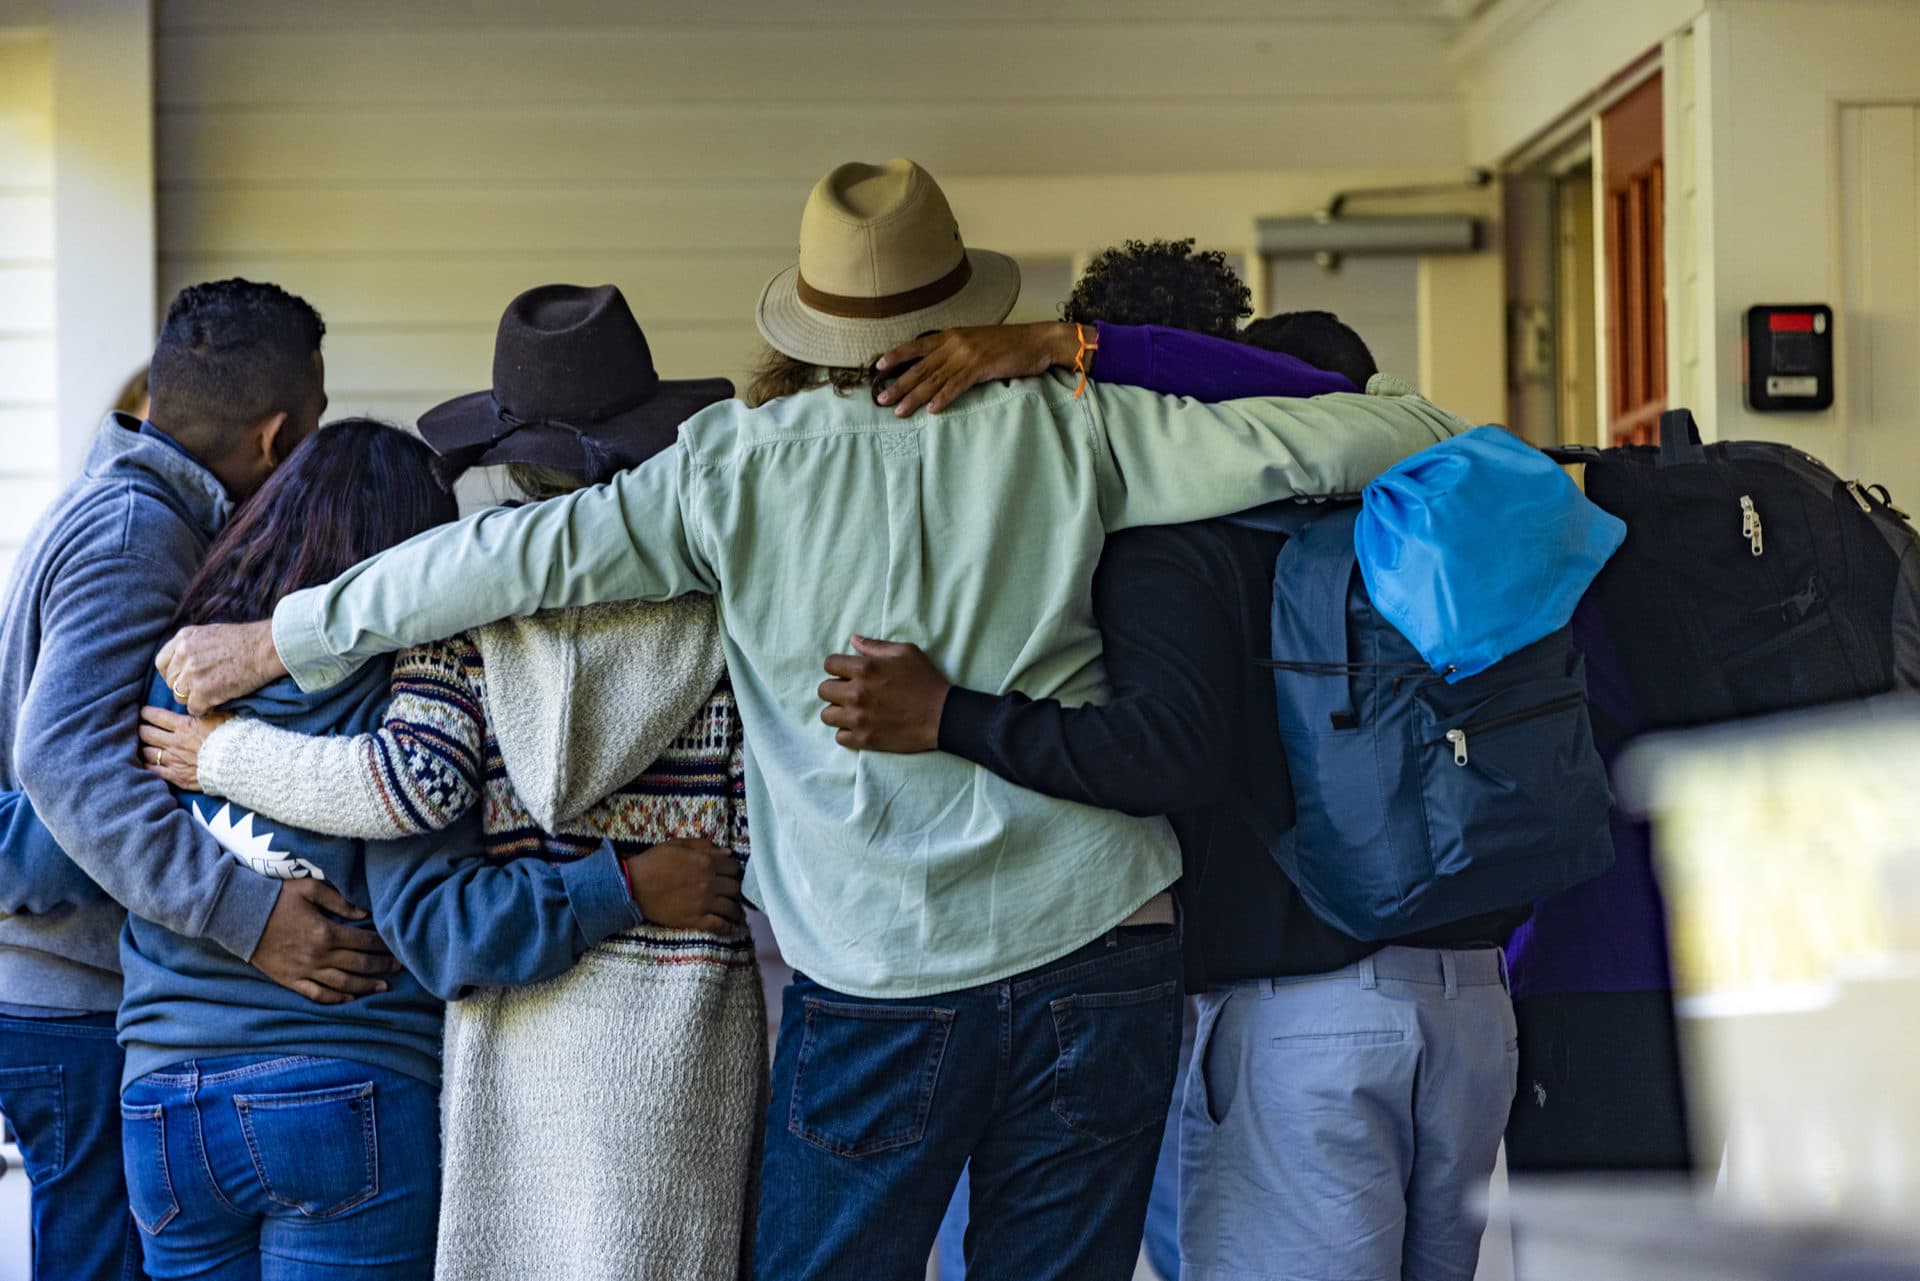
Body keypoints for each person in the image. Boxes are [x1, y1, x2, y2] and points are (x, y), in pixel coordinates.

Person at [154, 158, 1469, 1281]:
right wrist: (1076, 349)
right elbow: (1401, 429)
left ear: (812, 319)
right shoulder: (1084, 427)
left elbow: (508, 560)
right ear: (967, 304)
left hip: (880, 973)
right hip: (1100, 943)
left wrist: (283, 635)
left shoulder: (739, 467)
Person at [825, 307, 1528, 1281]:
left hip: (1304, 1013)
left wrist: (947, 715)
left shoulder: (1179, 543)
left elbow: (1166, 753)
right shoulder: (1431, 528)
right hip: (1471, 1001)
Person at [136, 284, 766, 1281]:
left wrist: (215, 762)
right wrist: (640, 882)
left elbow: (411, 799)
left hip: (442, 1066)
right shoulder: (735, 627)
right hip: (673, 1047)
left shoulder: (431, 638)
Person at [0, 279, 393, 1281]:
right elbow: (64, 762)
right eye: (314, 425)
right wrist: (248, 914)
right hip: (71, 1001)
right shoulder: (139, 534)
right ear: (275, 438)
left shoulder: (121, 508)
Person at [926, 235, 1273, 1281]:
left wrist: (950, 717)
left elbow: (1160, 746)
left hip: (1072, 913)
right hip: (1244, 928)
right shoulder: (1284, 482)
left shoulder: (1045, 507)